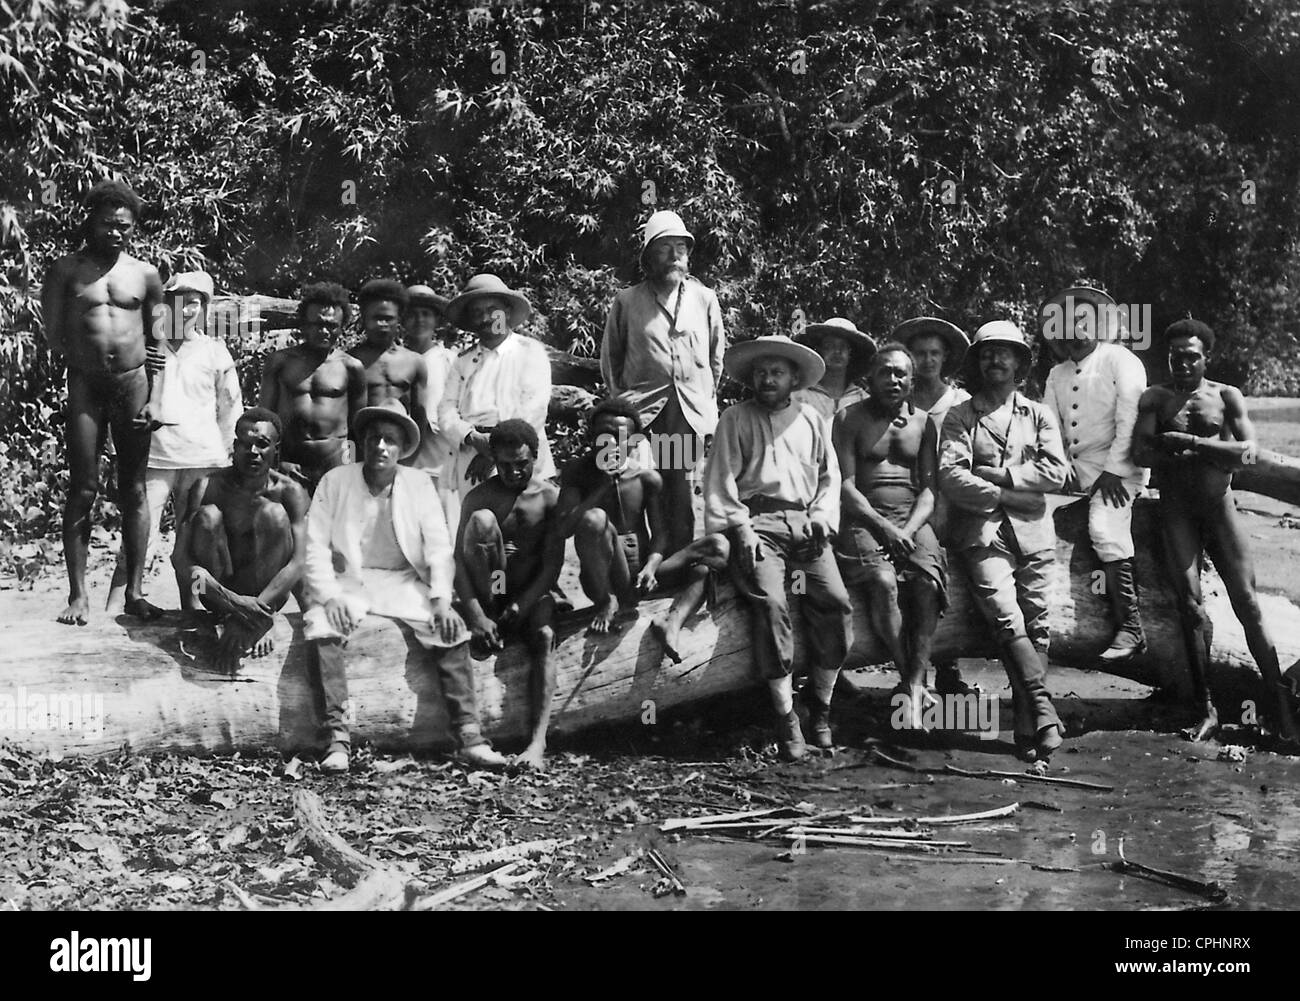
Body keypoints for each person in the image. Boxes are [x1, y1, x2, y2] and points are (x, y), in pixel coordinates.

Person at [303, 400, 508, 774]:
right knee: (322, 624)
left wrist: (442, 601)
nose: (381, 446)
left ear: (402, 448)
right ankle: (336, 739)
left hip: (403, 581)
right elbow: (314, 545)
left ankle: (470, 737)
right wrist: (330, 596)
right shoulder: (335, 481)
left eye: (391, 440)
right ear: (362, 442)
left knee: (450, 629)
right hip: (352, 581)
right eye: (374, 438)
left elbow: (439, 547)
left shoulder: (417, 484)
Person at [1133, 319, 1300, 745]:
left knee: (1248, 603)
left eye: (1192, 356)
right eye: (1176, 357)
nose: (1183, 364)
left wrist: (1193, 445)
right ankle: (1204, 707)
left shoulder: (1226, 396)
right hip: (1176, 511)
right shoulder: (1155, 397)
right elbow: (1140, 450)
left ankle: (1279, 704)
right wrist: (1166, 445)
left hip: (1219, 509)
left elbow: (1248, 452)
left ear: (1206, 358)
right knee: (1189, 606)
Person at [703, 334, 853, 761]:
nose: (768, 380)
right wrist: (740, 527)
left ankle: (820, 706)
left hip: (805, 522)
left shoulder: (810, 418)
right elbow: (721, 479)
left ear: (794, 379)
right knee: (771, 604)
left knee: (837, 602)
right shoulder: (735, 418)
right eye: (762, 373)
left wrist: (823, 517)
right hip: (757, 522)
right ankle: (786, 717)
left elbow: (830, 477)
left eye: (777, 373)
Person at [939, 321, 1069, 762]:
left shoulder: (1038, 415)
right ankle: (1044, 711)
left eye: (1005, 352)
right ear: (977, 361)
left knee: (1037, 622)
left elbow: (1057, 473)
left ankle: (1026, 724)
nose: (996, 360)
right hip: (981, 533)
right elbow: (951, 476)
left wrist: (1004, 474)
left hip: (1034, 532)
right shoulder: (961, 415)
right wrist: (1003, 494)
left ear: (1020, 362)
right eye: (987, 353)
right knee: (1005, 616)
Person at [41, 179, 165, 624]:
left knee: (133, 489)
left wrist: (156, 398)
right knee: (84, 487)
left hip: (133, 386)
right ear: (90, 221)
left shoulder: (146, 274)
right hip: (87, 388)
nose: (117, 233)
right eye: (109, 224)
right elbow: (53, 335)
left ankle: (134, 592)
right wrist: (82, 369)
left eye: (125, 227)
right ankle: (78, 595)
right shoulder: (65, 271)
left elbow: (158, 341)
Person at [106, 271, 241, 613]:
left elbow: (230, 408)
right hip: (154, 457)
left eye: (193, 303)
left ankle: (191, 608)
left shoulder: (215, 352)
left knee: (191, 542)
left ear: (204, 309)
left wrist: (227, 452)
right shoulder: (147, 347)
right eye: (178, 302)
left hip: (202, 458)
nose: (185, 311)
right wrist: (115, 448)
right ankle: (112, 611)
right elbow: (122, 400)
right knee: (138, 539)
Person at [557, 398, 729, 656]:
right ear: (591, 436)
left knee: (716, 548)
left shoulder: (646, 477)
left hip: (641, 574)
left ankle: (672, 622)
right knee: (594, 518)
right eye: (604, 435)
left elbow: (660, 534)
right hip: (604, 576)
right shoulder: (577, 472)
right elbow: (565, 528)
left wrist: (650, 567)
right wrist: (602, 485)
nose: (612, 443)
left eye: (620, 436)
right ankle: (607, 601)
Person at [834, 343, 946, 730]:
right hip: (865, 520)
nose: (893, 380)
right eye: (885, 372)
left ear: (912, 380)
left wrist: (909, 530)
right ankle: (910, 674)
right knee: (882, 582)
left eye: (901, 373)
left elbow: (929, 491)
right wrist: (885, 529)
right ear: (871, 378)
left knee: (927, 584)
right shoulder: (849, 418)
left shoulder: (925, 423)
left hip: (911, 518)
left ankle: (913, 688)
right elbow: (846, 488)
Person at [601, 210, 726, 556]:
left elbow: (716, 359)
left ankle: (679, 566)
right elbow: (611, 358)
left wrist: (700, 401)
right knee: (634, 488)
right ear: (648, 258)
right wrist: (623, 406)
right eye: (665, 248)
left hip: (682, 414)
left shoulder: (704, 299)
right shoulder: (627, 301)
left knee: (678, 489)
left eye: (680, 248)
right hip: (640, 414)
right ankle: (638, 568)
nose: (674, 256)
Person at [1041, 285, 1150, 663]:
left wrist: (1114, 470)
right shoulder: (1056, 373)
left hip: (1120, 469)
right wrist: (1060, 466)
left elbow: (1131, 418)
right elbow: (1049, 427)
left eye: (1084, 317)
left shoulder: (1120, 360)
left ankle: (1131, 626)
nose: (1076, 325)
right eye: (1068, 319)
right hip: (1073, 471)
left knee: (1105, 527)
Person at [453, 420, 565, 771]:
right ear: (493, 460)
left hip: (529, 593)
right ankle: (490, 628)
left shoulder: (548, 497)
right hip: (492, 592)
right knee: (484, 523)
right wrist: (478, 616)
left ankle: (537, 741)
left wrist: (525, 603)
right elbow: (457, 561)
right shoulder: (479, 497)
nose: (514, 471)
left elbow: (552, 564)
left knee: (545, 636)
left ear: (536, 455)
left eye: (522, 463)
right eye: (505, 465)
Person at [175, 407, 309, 672]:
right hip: (215, 594)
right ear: (234, 447)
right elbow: (180, 558)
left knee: (273, 514)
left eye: (262, 444)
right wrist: (231, 603)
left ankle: (258, 620)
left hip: (266, 599)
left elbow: (298, 562)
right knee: (207, 517)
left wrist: (256, 610)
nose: (253, 452)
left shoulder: (289, 492)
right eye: (245, 444)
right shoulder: (206, 486)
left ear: (275, 451)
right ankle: (229, 618)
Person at [439, 274, 554, 529]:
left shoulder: (530, 352)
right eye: (477, 312)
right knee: (476, 530)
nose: (485, 318)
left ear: (507, 310)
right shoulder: (463, 361)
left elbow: (533, 409)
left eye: (492, 309)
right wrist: (471, 437)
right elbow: (446, 410)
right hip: (472, 453)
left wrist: (496, 452)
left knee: (522, 533)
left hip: (519, 455)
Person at [896, 316, 972, 695]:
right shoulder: (899, 398)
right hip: (911, 498)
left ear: (945, 359)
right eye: (920, 354)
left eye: (934, 354)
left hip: (953, 498)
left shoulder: (958, 401)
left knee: (946, 579)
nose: (927, 361)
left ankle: (948, 667)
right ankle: (911, 673)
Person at [258, 282, 365, 494]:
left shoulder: (351, 367)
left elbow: (357, 429)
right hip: (290, 464)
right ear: (304, 325)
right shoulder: (280, 362)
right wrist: (274, 465)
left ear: (342, 326)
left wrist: (350, 469)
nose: (324, 331)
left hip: (336, 465)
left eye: (332, 325)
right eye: (317, 324)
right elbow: (265, 420)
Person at [348, 279, 428, 455]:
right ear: (364, 318)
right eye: (376, 318)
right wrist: (349, 462)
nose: (382, 324)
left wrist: (411, 458)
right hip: (362, 450)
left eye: (388, 318)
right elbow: (345, 424)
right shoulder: (350, 361)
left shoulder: (415, 362)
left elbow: (420, 416)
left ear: (399, 319)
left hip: (397, 451)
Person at [404, 284, 457, 511]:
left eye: (426, 314)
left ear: (436, 320)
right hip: (401, 468)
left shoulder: (451, 362)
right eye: (412, 314)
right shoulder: (393, 361)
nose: (419, 320)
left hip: (442, 469)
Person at [793, 317, 874, 424]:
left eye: (843, 347)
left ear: (851, 354)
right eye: (829, 346)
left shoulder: (864, 401)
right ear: (819, 351)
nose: (837, 351)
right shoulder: (799, 397)